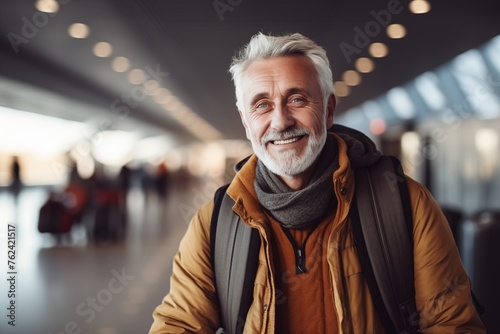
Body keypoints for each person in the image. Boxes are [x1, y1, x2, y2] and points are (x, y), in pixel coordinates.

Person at [149, 33, 486, 333]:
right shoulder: (216, 221)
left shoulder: (405, 204)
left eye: (297, 99)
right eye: (262, 105)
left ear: (328, 109)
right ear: (245, 121)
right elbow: (179, 323)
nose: (280, 121)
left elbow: (452, 323)